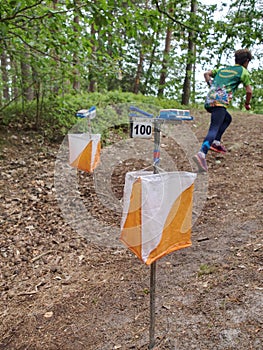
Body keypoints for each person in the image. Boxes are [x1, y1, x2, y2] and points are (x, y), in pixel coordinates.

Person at [193, 48, 253, 172]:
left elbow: (206, 74)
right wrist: (247, 104)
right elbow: (249, 91)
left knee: (227, 118)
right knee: (214, 127)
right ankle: (201, 153)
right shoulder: (243, 71)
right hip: (220, 102)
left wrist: (211, 85)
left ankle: (216, 142)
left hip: (210, 100)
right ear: (246, 61)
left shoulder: (223, 69)